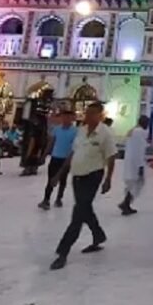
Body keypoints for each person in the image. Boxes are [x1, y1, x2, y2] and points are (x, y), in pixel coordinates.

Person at [49, 102, 117, 270]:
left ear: (100, 115)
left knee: (78, 214)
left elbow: (111, 156)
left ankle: (63, 251)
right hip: (77, 176)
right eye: (87, 113)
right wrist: (59, 174)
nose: (88, 116)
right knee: (84, 208)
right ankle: (98, 234)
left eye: (92, 113)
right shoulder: (81, 131)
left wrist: (108, 179)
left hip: (93, 176)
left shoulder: (105, 133)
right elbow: (73, 152)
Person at [39, 111, 78, 210]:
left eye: (68, 117)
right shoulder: (56, 129)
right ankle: (46, 199)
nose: (66, 119)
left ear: (72, 118)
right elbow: (51, 143)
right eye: (64, 117)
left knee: (62, 180)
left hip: (66, 159)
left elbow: (75, 147)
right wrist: (44, 155)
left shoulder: (75, 131)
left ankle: (59, 198)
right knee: (50, 179)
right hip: (55, 157)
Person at [119, 116, 150, 216]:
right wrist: (140, 166)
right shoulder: (141, 132)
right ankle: (126, 203)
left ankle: (126, 203)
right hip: (136, 162)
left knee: (131, 183)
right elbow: (140, 150)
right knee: (138, 183)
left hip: (129, 160)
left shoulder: (133, 131)